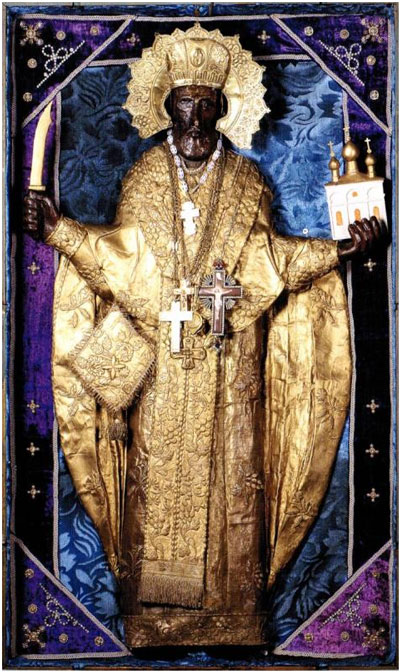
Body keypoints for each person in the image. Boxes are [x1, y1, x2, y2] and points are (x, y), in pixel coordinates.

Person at [23, 24, 386, 648]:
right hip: (162, 367)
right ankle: (152, 620)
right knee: (157, 484)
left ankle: (235, 616)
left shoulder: (246, 182)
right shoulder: (144, 177)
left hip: (230, 364)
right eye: (183, 102)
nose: (194, 115)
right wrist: (61, 232)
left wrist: (338, 252)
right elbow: (123, 262)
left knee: (232, 493)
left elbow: (270, 260)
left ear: (222, 106)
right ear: (168, 105)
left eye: (205, 102)